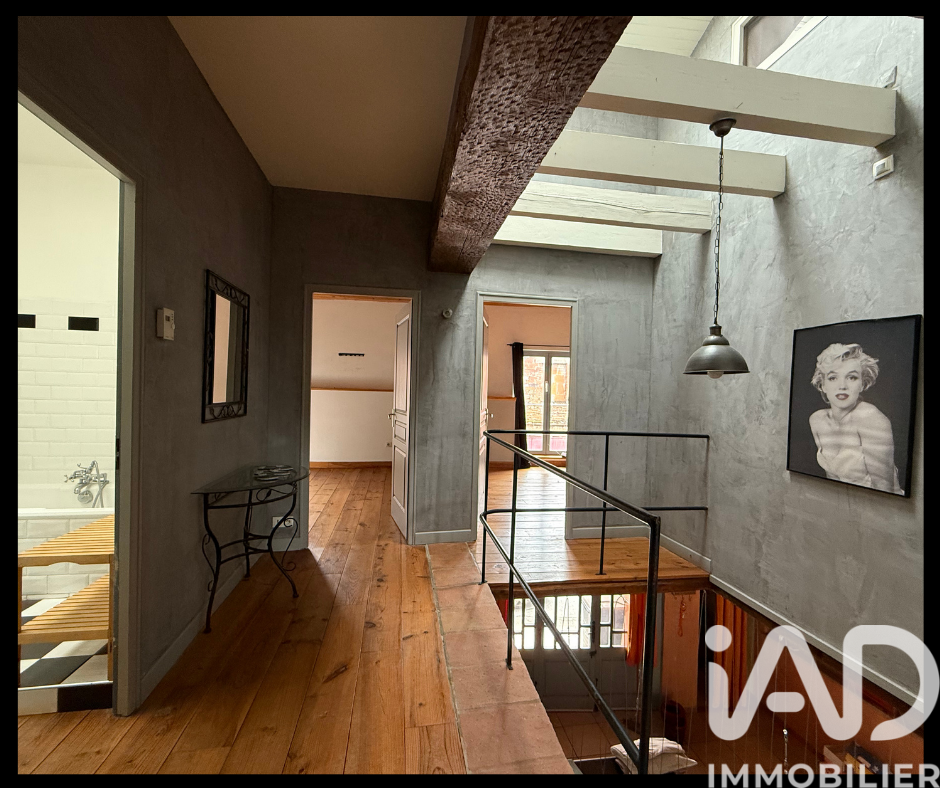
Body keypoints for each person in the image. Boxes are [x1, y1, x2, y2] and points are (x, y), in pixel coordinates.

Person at [808, 343, 902, 494]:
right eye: (833, 378)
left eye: (851, 377)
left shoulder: (870, 418)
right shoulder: (817, 420)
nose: (842, 386)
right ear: (823, 385)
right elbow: (832, 480)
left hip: (882, 503)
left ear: (862, 384)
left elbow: (885, 488)